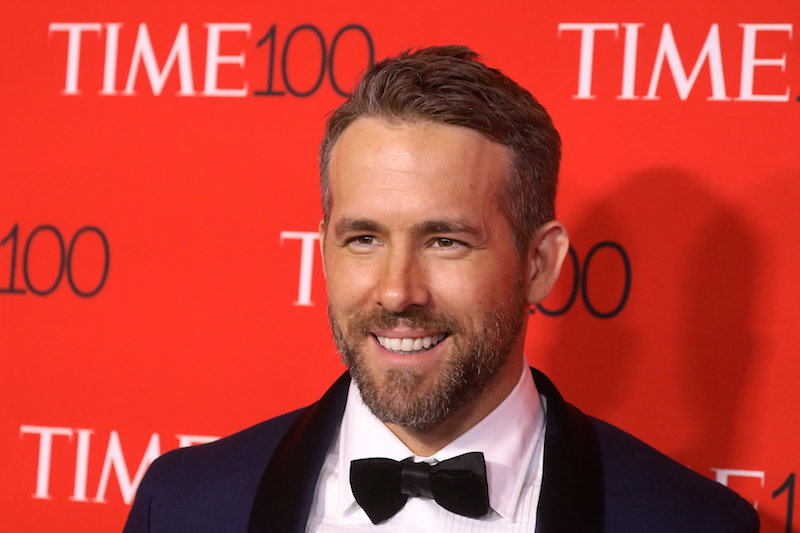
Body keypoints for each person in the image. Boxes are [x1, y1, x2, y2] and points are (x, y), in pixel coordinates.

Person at [123, 46, 759, 532]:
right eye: (364, 239)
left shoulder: (691, 522)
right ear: (323, 253)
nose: (398, 293)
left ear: (539, 263)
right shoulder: (183, 504)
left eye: (445, 241)